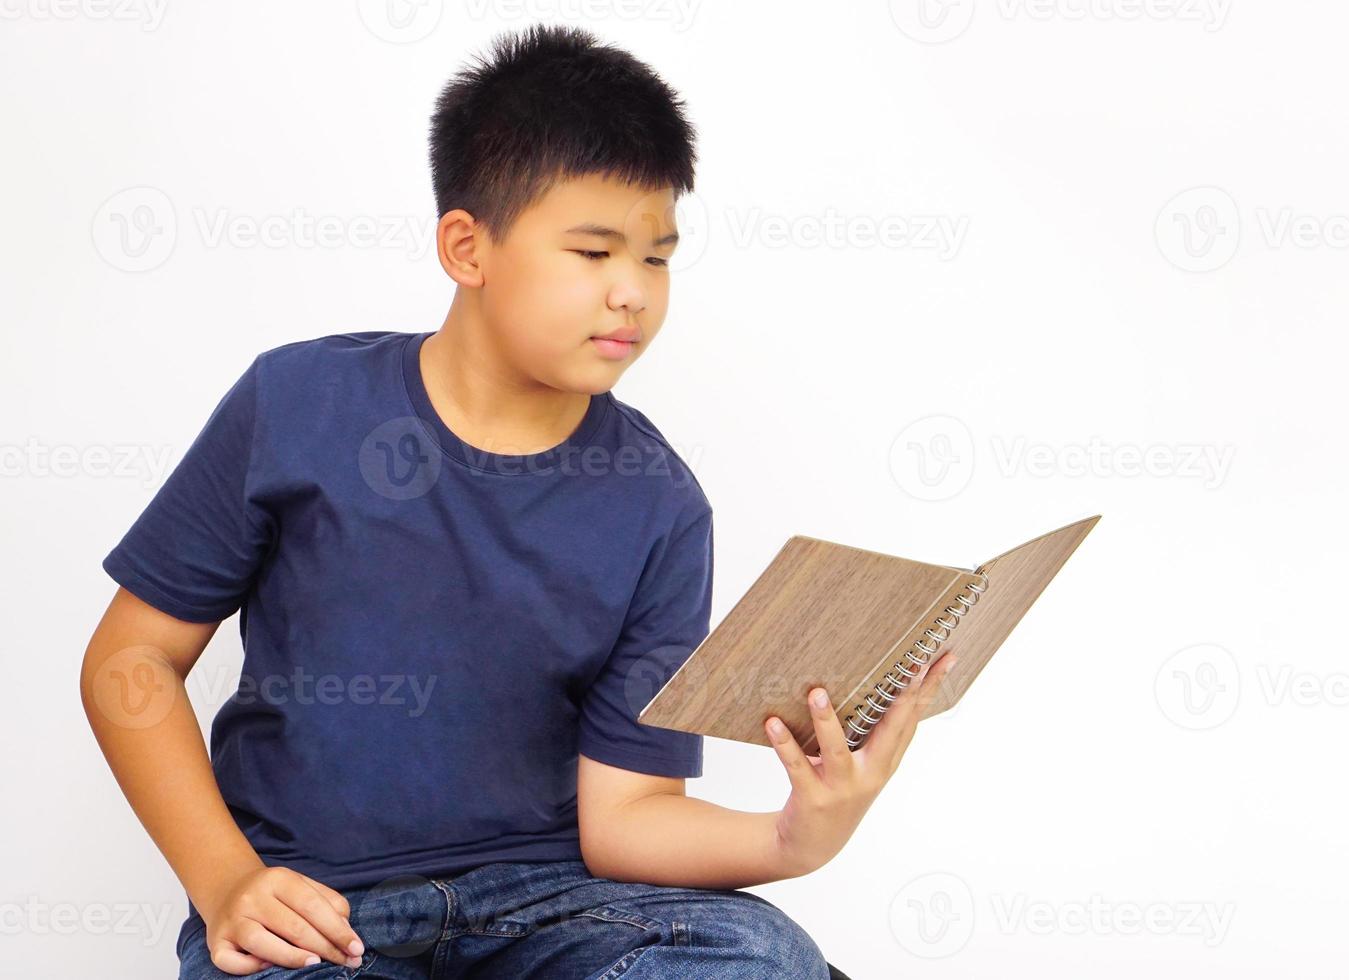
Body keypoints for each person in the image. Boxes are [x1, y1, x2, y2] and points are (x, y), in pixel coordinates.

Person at [79, 23, 953, 979]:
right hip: (320, 909)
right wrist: (224, 881)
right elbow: (132, 660)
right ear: (467, 246)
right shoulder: (297, 404)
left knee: (761, 953)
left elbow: (625, 819)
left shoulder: (660, 506)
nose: (632, 294)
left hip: (553, 908)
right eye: (593, 251)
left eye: (657, 258)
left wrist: (796, 837)